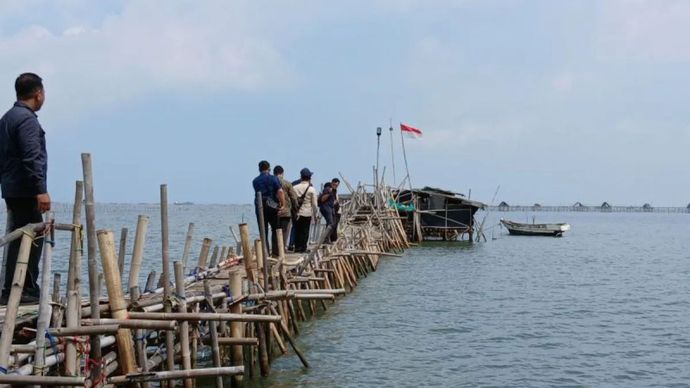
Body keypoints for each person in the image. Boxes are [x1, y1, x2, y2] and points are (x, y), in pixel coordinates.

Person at [0, 73, 50, 305]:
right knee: (32, 237)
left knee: (19, 238)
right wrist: (40, 189)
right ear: (38, 93)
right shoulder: (27, 120)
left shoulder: (8, 118)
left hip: (12, 187)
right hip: (25, 189)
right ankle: (25, 289)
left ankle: (12, 288)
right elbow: (32, 157)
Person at [252, 160, 285, 257]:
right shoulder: (274, 179)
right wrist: (282, 205)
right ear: (269, 168)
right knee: (275, 229)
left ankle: (265, 253)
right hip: (272, 204)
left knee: (263, 230)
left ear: (259, 169)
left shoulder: (255, 181)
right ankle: (276, 253)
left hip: (260, 205)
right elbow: (280, 191)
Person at [292, 168, 318, 253]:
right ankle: (303, 247)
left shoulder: (295, 188)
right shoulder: (311, 189)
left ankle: (297, 247)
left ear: (301, 177)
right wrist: (315, 214)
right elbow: (314, 204)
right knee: (305, 231)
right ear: (309, 177)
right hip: (307, 212)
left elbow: (292, 200)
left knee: (297, 230)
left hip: (297, 213)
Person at [273, 165, 297, 253]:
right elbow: (293, 197)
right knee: (284, 232)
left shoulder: (271, 183)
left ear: (274, 173)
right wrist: (295, 208)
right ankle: (282, 249)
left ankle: (275, 251)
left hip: (274, 211)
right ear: (282, 173)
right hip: (286, 211)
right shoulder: (287, 183)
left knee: (274, 231)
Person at [318, 178, 340, 243]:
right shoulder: (327, 189)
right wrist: (329, 193)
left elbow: (332, 200)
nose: (335, 186)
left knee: (332, 223)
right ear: (332, 183)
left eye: (337, 185)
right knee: (330, 223)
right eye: (334, 184)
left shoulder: (334, 190)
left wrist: (335, 202)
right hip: (326, 207)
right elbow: (322, 199)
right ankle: (325, 239)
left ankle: (327, 239)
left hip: (331, 208)